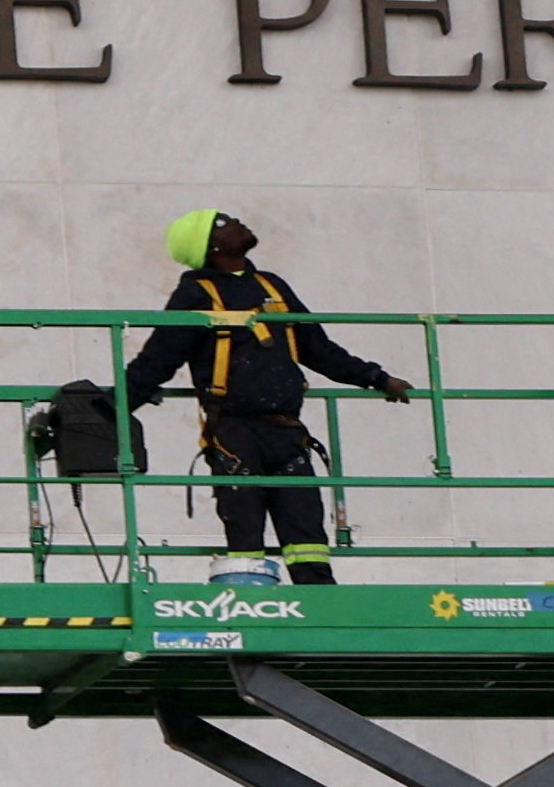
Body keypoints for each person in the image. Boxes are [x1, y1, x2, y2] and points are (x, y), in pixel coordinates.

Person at [120, 208, 414, 584]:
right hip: (234, 433)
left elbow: (317, 348)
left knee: (306, 529)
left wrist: (376, 378)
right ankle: (249, 604)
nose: (238, 222)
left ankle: (319, 607)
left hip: (287, 431)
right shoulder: (196, 293)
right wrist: (112, 406)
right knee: (244, 529)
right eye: (224, 223)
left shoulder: (272, 286)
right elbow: (159, 358)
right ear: (211, 246)